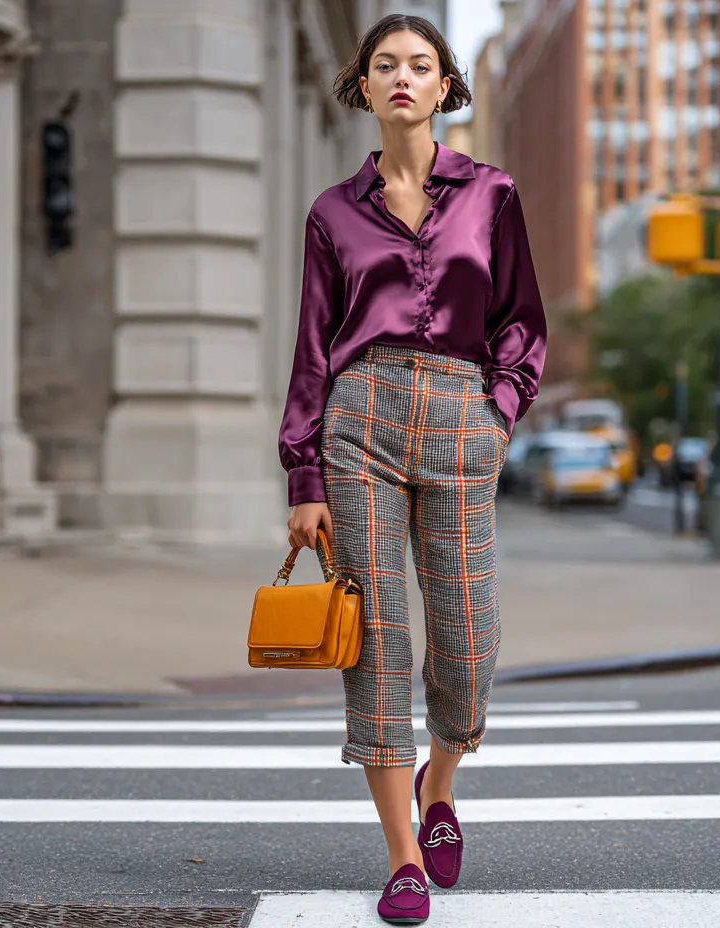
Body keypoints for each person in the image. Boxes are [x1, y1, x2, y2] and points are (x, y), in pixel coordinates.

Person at [277, 12, 546, 925]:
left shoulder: (492, 193)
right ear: (362, 86)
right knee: (379, 639)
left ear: (444, 87)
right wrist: (302, 477)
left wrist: (498, 415)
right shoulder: (330, 213)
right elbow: (313, 350)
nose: (401, 77)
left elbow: (521, 322)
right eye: (384, 64)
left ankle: (444, 777)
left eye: (419, 65)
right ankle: (401, 858)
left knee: (468, 638)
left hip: (463, 417)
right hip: (360, 421)